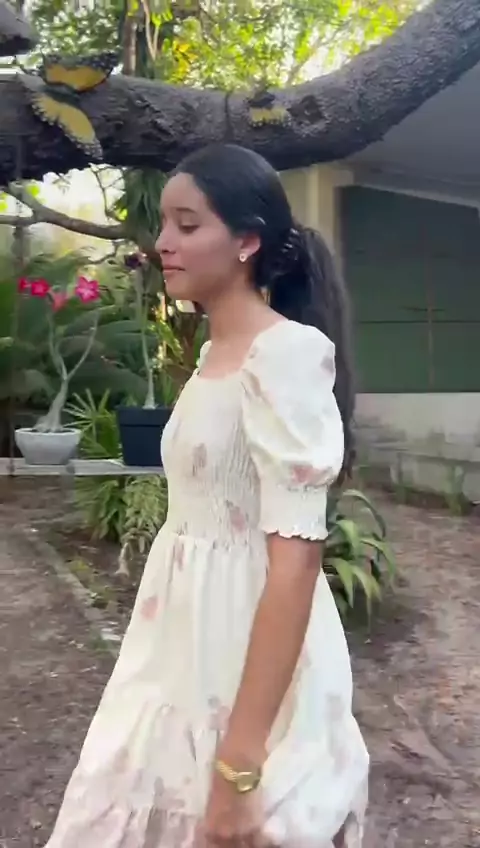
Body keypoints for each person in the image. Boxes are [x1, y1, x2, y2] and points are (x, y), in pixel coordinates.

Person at [44, 143, 369, 847]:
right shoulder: (211, 354)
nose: (164, 241)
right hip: (176, 642)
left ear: (247, 241)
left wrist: (240, 762)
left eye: (188, 225)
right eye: (164, 223)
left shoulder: (285, 356)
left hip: (243, 647)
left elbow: (296, 563)